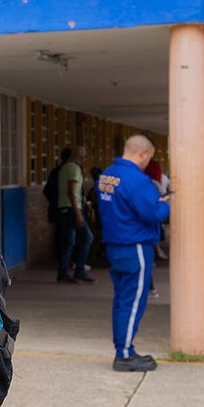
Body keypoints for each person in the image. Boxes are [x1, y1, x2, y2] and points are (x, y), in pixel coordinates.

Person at [96, 135, 171, 372]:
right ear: (143, 153)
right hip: (135, 245)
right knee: (133, 301)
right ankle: (125, 354)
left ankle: (124, 348)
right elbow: (153, 214)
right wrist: (166, 203)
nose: (148, 162)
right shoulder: (137, 179)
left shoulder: (107, 175)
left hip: (115, 244)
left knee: (122, 299)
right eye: (149, 157)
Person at [56, 146, 93, 283]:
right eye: (84, 157)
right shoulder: (74, 168)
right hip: (72, 208)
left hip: (65, 208)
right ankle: (79, 270)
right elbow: (72, 192)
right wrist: (78, 213)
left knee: (68, 242)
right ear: (80, 157)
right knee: (87, 237)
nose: (85, 160)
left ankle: (64, 272)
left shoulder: (64, 167)